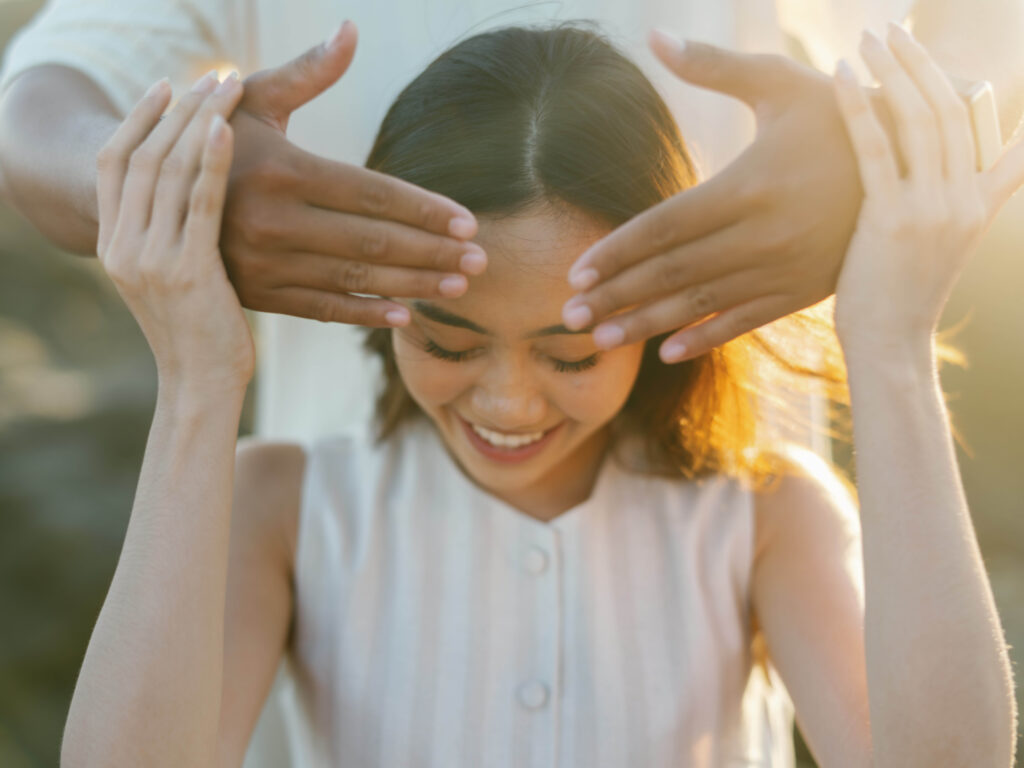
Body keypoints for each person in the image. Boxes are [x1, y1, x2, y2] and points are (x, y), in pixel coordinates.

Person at [57, 19, 1023, 767]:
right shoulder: (280, 507)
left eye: (570, 356)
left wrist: (891, 345)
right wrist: (195, 381)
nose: (510, 404)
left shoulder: (766, 516)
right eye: (447, 341)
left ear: (655, 325)